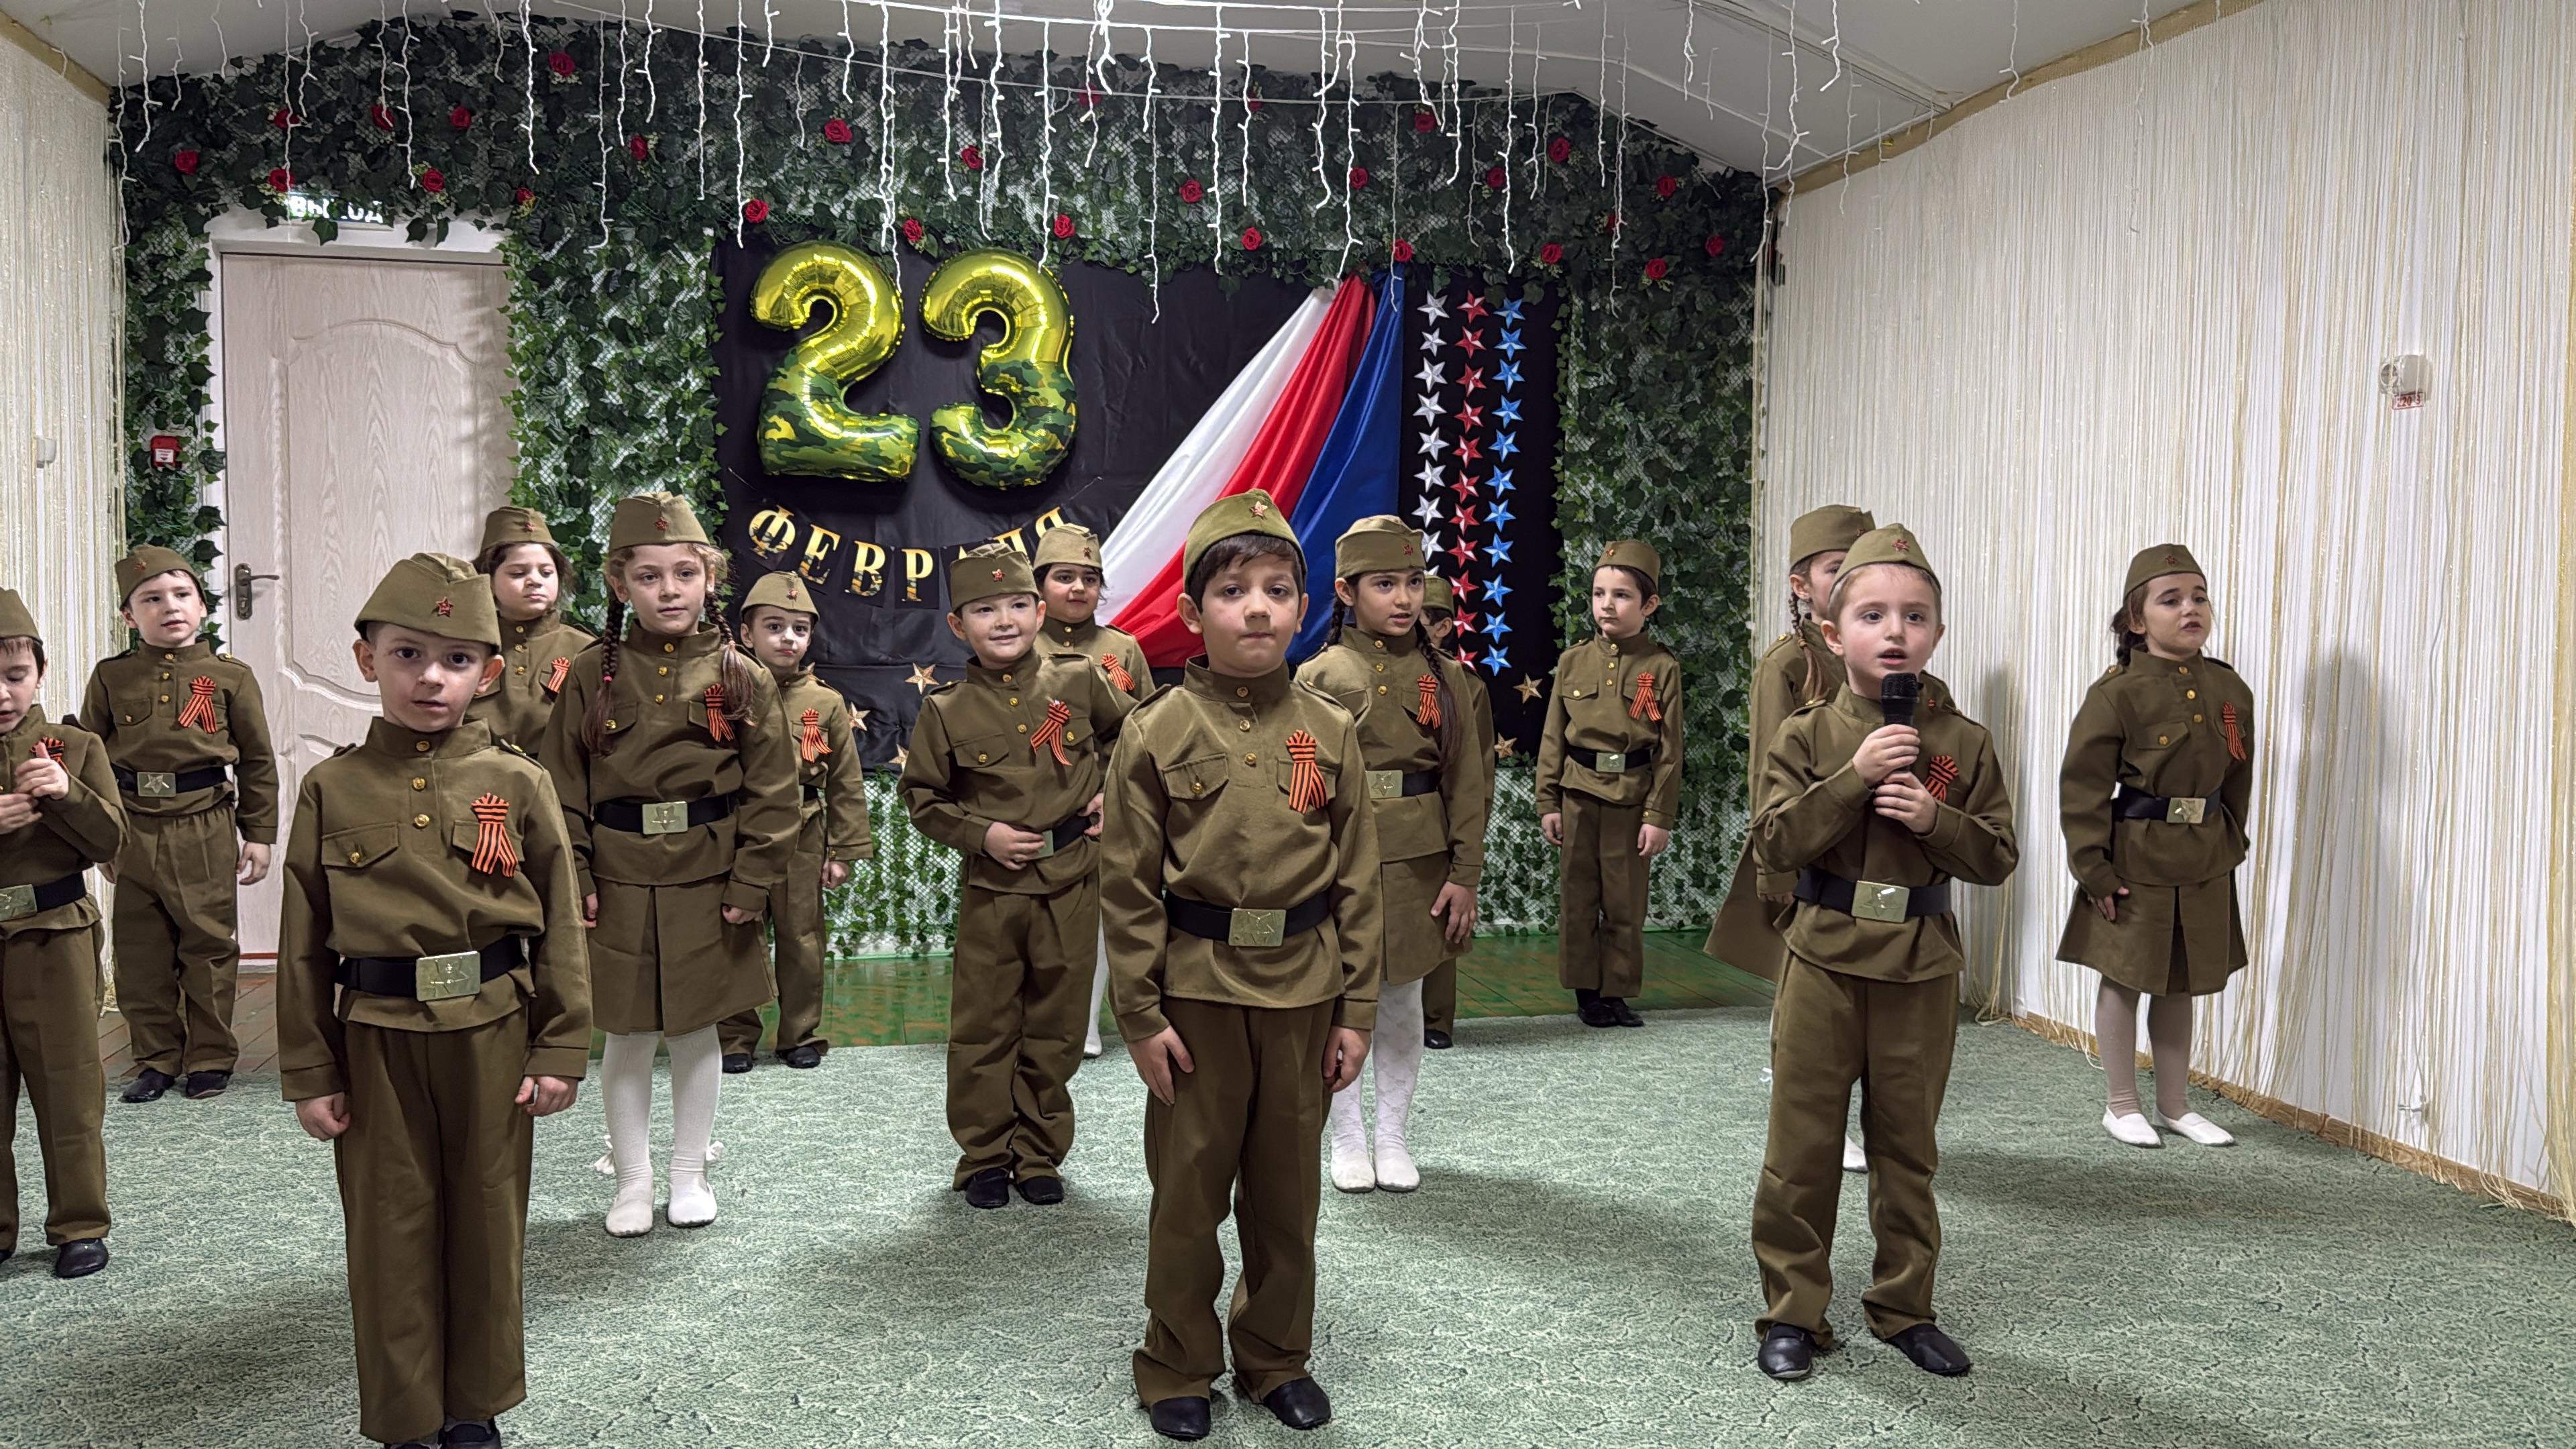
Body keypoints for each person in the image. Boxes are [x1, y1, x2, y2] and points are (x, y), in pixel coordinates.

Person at [276, 553, 592, 1448]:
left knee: (488, 1220)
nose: (431, 678)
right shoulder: (332, 786)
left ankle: (474, 1403)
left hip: (493, 1028)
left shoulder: (520, 782)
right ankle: (406, 1415)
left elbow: (560, 924)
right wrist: (310, 1069)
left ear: (488, 673)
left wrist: (560, 1046)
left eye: (457, 660)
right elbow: (302, 939)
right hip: (375, 1038)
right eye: (407, 654)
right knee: (389, 1230)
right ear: (366, 659)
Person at [1102, 490, 1379, 1440]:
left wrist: (1357, 1010)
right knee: (1188, 1194)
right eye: (1232, 591)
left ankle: (1275, 1357)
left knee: (1286, 1196)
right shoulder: (1156, 730)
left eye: (1276, 590)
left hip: (1305, 992)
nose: (1256, 608)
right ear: (1191, 611)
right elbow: (1127, 886)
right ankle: (1177, 1361)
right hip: (1196, 998)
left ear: (1303, 608)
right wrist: (1141, 1016)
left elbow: (1359, 880)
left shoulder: (1331, 731)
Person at [1746, 525, 2017, 1383]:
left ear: (1937, 632)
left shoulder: (1964, 743)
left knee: (1908, 1151)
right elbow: (1773, 844)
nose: (1895, 631)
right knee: (1802, 1147)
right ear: (1834, 634)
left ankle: (1905, 1308)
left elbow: (1998, 858)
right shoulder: (1807, 736)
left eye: (1915, 615)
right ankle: (1793, 1312)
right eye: (1871, 615)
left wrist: (1937, 820)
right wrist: (1854, 777)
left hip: (1919, 966)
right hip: (1824, 960)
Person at [545, 492, 799, 1236]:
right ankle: (634, 1180)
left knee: (696, 1030)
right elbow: (560, 789)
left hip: (709, 879)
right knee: (625, 1035)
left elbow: (774, 791)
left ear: (709, 579)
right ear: (620, 584)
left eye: (685, 574)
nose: (668, 591)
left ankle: (689, 1173)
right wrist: (577, 878)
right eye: (648, 576)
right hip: (617, 880)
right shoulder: (589, 674)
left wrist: (752, 881)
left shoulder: (741, 675)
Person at [903, 543, 1135, 1206]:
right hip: (995, 890)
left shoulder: (1079, 678)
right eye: (983, 610)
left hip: (1073, 879)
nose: (1002, 620)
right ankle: (984, 1155)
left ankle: (1038, 1153)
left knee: (1057, 1025)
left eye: (1015, 605)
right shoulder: (947, 710)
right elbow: (923, 797)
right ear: (958, 625)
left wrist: (1108, 791)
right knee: (986, 1024)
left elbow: (1131, 738)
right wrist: (982, 835)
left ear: (1038, 611)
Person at [1296, 519, 1483, 1193]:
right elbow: (1303, 784)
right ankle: (1347, 1136)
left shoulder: (1447, 677)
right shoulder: (1318, 674)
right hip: (1339, 857)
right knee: (1340, 997)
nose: (1404, 599)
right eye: (1384, 584)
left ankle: (1392, 1136)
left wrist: (1465, 874)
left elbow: (1466, 782)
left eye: (1412, 582)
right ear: (1347, 592)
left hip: (1418, 862)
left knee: (1403, 997)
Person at [2057, 545, 2254, 1149]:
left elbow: (2238, 775)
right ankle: (2121, 1105)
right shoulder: (2116, 694)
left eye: (2199, 597)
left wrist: (2232, 839)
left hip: (2204, 856)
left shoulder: (2230, 688)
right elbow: (2082, 789)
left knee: (2181, 980)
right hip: (2134, 858)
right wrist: (2093, 869)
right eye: (2171, 600)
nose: (2190, 609)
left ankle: (2175, 1105)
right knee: (2125, 976)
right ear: (2136, 620)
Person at [1707, 504, 1881, 1172]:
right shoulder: (1787, 665)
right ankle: (1810, 1114)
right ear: (1801, 585)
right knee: (1805, 990)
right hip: (1807, 847)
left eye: (1861, 566)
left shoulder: (1877, 657)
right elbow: (1768, 773)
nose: (1851, 579)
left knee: (1861, 990)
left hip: (1870, 851)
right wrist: (1774, 868)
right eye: (1837, 568)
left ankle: (1854, 1111)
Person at [83, 545, 278, 1103]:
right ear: (129, 616)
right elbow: (91, 761)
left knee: (208, 944)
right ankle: (156, 1059)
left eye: (181, 594)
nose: (169, 606)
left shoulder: (230, 678)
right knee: (140, 950)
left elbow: (258, 761)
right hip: (133, 825)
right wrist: (102, 837)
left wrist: (259, 834)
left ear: (202, 606)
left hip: (204, 823)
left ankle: (210, 1056)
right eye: (151, 599)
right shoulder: (112, 677)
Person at [0, 588, 125, 1280]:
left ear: (40, 673)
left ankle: (79, 1224)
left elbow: (112, 843)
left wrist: (67, 793)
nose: (3, 694)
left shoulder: (75, 747)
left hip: (54, 935)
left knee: (68, 1084)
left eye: (15, 676)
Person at [717, 571, 873, 1073]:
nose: (788, 638)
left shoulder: (825, 703)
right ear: (747, 634)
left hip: (803, 832)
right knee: (735, 932)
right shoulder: (726, 691)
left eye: (800, 629)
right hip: (737, 830)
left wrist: (842, 851)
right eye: (774, 626)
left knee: (801, 936)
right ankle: (734, 1037)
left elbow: (845, 782)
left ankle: (800, 1034)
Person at [1533, 541, 1683, 1028]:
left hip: (1631, 799)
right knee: (1579, 899)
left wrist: (1658, 816)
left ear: (1649, 604)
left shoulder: (1661, 667)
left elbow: (1670, 750)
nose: (1607, 605)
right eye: (1599, 594)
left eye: (1621, 595)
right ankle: (1587, 994)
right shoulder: (1573, 661)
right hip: (1578, 795)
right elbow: (1553, 736)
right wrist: (1548, 801)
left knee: (1624, 901)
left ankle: (1617, 992)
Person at [1033, 523, 1155, 1061]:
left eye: (1089, 578)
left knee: (1103, 918)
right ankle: (1036, 1021)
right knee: (1039, 917)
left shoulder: (1121, 649)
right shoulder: (1018, 644)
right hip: (1035, 803)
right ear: (1039, 584)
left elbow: (1148, 731)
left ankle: (1084, 1026)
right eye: (1064, 577)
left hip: (1104, 804)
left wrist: (1116, 794)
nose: (1079, 588)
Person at [1417, 573, 1493, 1051]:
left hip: (1440, 816)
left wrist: (1467, 838)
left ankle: (1436, 1018)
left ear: (1445, 627)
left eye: (1425, 617)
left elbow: (1476, 769)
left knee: (1439, 914)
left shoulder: (1465, 686)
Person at [465, 505, 596, 752]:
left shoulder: (586, 650)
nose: (535, 581)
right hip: (478, 769)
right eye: (518, 573)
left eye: (546, 573)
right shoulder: (467, 647)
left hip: (559, 771)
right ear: (488, 581)